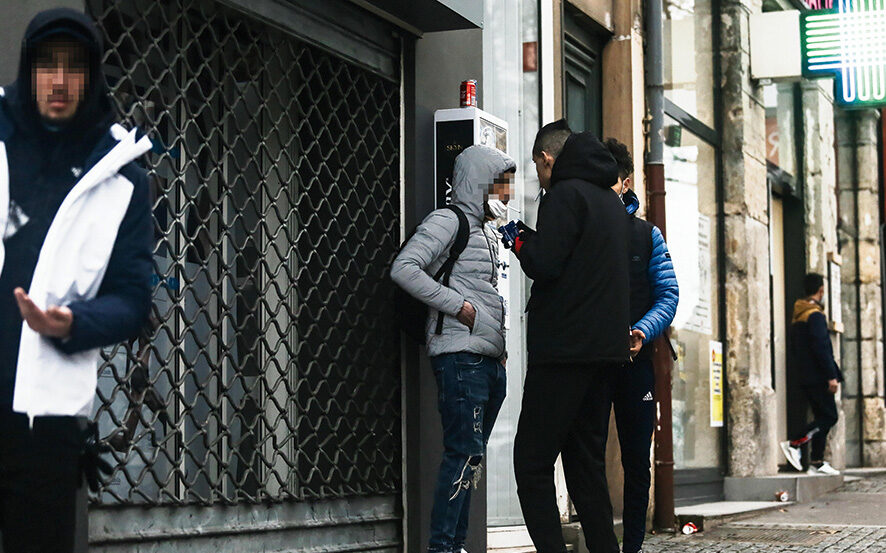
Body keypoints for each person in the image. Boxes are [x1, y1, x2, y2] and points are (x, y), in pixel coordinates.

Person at [0, 8, 153, 552]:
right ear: (28, 69)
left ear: (92, 77)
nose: (59, 82)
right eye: (47, 65)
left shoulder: (121, 178)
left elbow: (134, 300)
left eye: (73, 67)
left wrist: (72, 322)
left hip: (47, 420)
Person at [508, 120, 630, 553]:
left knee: (531, 463)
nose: (540, 177)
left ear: (547, 159)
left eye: (538, 168)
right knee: (585, 468)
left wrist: (519, 237)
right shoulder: (609, 203)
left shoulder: (564, 194)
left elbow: (546, 262)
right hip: (603, 355)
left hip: (563, 352)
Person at [391, 144, 513, 553]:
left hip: (487, 360)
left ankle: (455, 546)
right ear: (478, 184)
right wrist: (457, 306)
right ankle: (442, 548)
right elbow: (404, 268)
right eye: (500, 186)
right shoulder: (448, 220)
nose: (506, 195)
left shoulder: (487, 232)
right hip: (461, 357)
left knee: (470, 459)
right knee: (462, 454)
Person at [604, 138, 679, 553]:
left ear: (626, 183)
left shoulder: (647, 235)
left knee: (636, 461)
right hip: (593, 363)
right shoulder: (585, 230)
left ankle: (631, 544)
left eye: (609, 181)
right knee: (587, 456)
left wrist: (641, 331)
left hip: (636, 364)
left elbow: (667, 294)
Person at [779, 273, 843, 476]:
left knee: (822, 416)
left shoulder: (799, 314)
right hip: (818, 376)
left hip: (806, 374)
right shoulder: (814, 315)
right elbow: (822, 347)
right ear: (821, 291)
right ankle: (795, 444)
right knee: (829, 416)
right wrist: (831, 376)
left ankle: (816, 461)